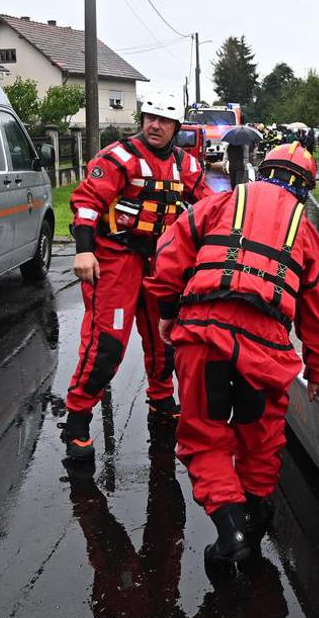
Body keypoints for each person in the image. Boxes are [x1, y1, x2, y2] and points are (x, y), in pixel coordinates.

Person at [147, 143, 319, 566]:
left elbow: (168, 256)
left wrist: (166, 313)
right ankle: (256, 512)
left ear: (262, 170)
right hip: (266, 348)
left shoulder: (219, 204)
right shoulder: (305, 233)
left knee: (205, 435)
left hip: (203, 334)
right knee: (261, 434)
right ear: (305, 189)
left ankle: (230, 529)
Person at [64, 90, 210, 460]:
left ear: (176, 127)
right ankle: (78, 418)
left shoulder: (186, 166)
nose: (155, 125)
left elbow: (208, 209)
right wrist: (84, 250)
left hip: (160, 263)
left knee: (165, 337)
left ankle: (161, 398)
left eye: (163, 120)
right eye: (149, 117)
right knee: (107, 344)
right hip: (116, 260)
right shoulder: (118, 158)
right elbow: (86, 203)